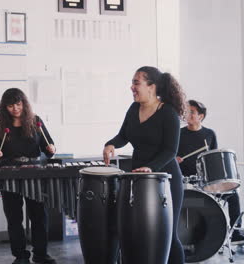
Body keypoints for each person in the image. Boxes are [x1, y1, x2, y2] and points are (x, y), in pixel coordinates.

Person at [103, 66, 186, 264]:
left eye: (136, 82)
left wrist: (151, 167)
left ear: (152, 87)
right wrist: (111, 144)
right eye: (132, 82)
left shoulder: (168, 113)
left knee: (168, 236)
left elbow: (170, 150)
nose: (131, 87)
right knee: (140, 235)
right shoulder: (133, 109)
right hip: (138, 179)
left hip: (165, 181)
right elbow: (123, 135)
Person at [0, 88, 57, 264]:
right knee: (14, 216)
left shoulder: (35, 122)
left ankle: (41, 254)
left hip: (34, 173)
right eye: (11, 106)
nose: (16, 109)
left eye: (18, 104)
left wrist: (51, 150)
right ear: (5, 107)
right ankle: (20, 256)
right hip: (10, 174)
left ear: (24, 104)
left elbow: (49, 147)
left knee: (39, 216)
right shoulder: (0, 127)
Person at [176, 99, 244, 242]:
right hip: (186, 182)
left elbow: (213, 159)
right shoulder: (179, 134)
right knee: (195, 203)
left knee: (233, 196)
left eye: (192, 112)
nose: (188, 114)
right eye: (187, 112)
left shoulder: (209, 134)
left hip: (206, 182)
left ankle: (235, 234)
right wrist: (174, 159)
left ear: (201, 116)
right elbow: (169, 154)